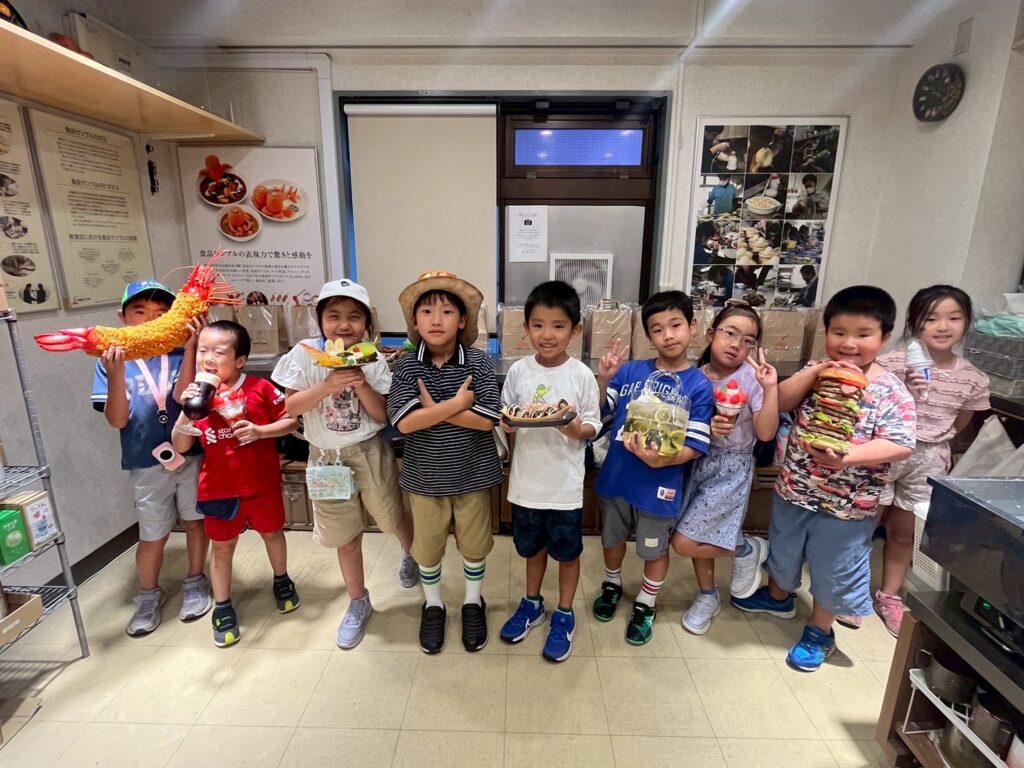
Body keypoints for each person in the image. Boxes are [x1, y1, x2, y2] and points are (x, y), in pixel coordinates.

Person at [732, 286, 916, 672]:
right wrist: (813, 372)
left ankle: (820, 631)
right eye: (839, 332)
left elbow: (900, 443)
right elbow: (781, 402)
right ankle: (778, 597)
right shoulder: (816, 371)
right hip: (794, 489)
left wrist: (848, 456)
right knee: (784, 549)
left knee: (834, 567)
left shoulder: (889, 390)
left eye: (863, 334)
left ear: (884, 338)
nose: (848, 343)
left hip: (847, 506)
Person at [272, 279, 418, 649]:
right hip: (325, 458)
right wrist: (327, 385)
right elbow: (291, 408)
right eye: (334, 316)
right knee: (345, 535)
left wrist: (361, 384)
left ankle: (410, 554)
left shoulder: (372, 358)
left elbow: (382, 416)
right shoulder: (304, 354)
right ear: (320, 320)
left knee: (393, 516)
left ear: (366, 323)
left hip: (369, 451)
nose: (343, 325)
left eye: (354, 317)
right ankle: (358, 601)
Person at [846, 286, 988, 637]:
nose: (943, 326)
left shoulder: (972, 377)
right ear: (914, 323)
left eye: (954, 318)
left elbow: (962, 422)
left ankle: (889, 596)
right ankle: (849, 594)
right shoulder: (891, 363)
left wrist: (934, 442)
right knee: (863, 525)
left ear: (966, 322)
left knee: (902, 532)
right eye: (931, 318)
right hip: (883, 450)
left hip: (929, 457)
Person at [387, 271, 503, 654]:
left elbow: (487, 419)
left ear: (463, 320)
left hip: (473, 474)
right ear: (414, 320)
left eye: (447, 311)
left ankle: (472, 601)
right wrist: (456, 404)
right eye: (426, 311)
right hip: (424, 478)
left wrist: (432, 409)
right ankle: (433, 604)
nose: (436, 320)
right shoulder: (407, 365)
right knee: (427, 548)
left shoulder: (479, 362)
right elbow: (404, 422)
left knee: (474, 545)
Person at [591, 291, 713, 646]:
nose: (668, 335)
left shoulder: (698, 386)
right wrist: (604, 379)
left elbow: (696, 445)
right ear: (648, 336)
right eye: (657, 329)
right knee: (612, 539)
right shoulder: (629, 372)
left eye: (675, 325)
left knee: (654, 549)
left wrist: (664, 460)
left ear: (692, 326)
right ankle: (612, 583)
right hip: (617, 478)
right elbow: (598, 411)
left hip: (660, 487)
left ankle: (646, 603)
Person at [91, 280, 211, 636]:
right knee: (152, 533)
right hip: (144, 459)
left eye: (162, 313)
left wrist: (191, 346)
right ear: (122, 317)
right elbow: (117, 420)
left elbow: (182, 396)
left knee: (195, 522)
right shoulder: (111, 361)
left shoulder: (181, 352)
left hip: (190, 453)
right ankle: (148, 595)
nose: (151, 320)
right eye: (140, 312)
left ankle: (196, 581)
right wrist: (115, 373)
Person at [172, 321, 300, 647]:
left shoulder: (259, 388)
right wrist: (186, 410)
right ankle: (223, 605)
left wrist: (260, 431)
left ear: (240, 360)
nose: (208, 358)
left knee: (272, 533)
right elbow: (181, 445)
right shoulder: (197, 396)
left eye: (218, 352)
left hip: (261, 483)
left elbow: (290, 421)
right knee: (222, 547)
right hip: (218, 487)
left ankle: (282, 579)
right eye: (202, 350)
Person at [498, 281, 601, 662]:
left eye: (558, 325)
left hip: (564, 488)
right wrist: (507, 424)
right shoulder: (519, 371)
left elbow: (592, 424)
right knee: (532, 549)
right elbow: (506, 416)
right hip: (526, 484)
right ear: (526, 328)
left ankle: (564, 612)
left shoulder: (581, 375)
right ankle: (532, 603)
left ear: (575, 330)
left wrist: (575, 430)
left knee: (568, 553)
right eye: (538, 325)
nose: (547, 334)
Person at [671, 303, 779, 635]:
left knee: (684, 541)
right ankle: (707, 595)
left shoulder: (752, 379)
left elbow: (765, 433)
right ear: (710, 334)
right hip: (694, 461)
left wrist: (770, 388)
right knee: (697, 529)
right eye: (730, 333)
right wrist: (706, 427)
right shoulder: (695, 376)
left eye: (748, 340)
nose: (736, 344)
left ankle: (745, 548)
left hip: (731, 467)